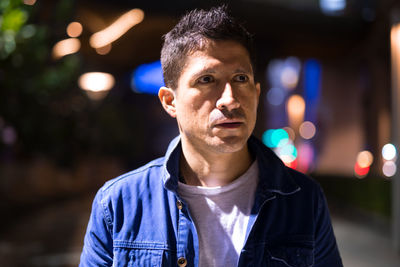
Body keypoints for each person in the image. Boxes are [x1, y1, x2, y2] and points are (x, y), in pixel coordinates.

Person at [79, 6, 343, 267]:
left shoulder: (302, 199)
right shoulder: (119, 204)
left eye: (241, 78)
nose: (230, 99)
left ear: (257, 92)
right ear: (170, 101)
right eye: (207, 79)